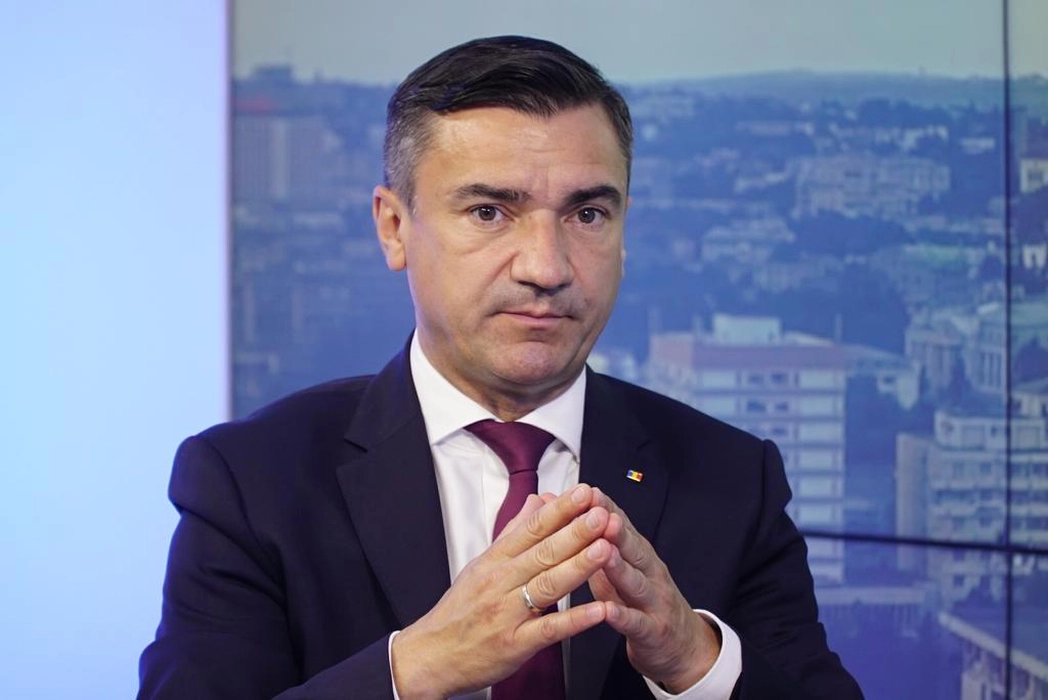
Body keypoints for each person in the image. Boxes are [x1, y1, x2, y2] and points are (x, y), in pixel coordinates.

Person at [138, 36, 863, 699]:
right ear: (394, 228)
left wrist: (695, 660)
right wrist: (414, 668)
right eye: (489, 212)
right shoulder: (252, 482)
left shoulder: (731, 479)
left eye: (586, 215)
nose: (546, 267)